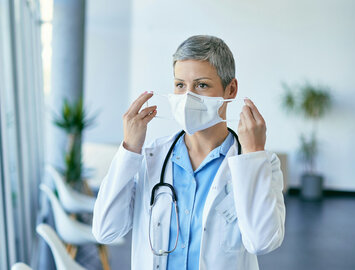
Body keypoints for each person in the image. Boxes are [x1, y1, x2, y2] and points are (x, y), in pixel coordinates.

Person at [92, 35, 285, 270]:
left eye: (201, 85)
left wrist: (253, 155)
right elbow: (105, 230)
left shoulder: (261, 163)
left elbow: (261, 242)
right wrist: (130, 150)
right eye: (180, 85)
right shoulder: (151, 158)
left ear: (231, 89)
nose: (187, 97)